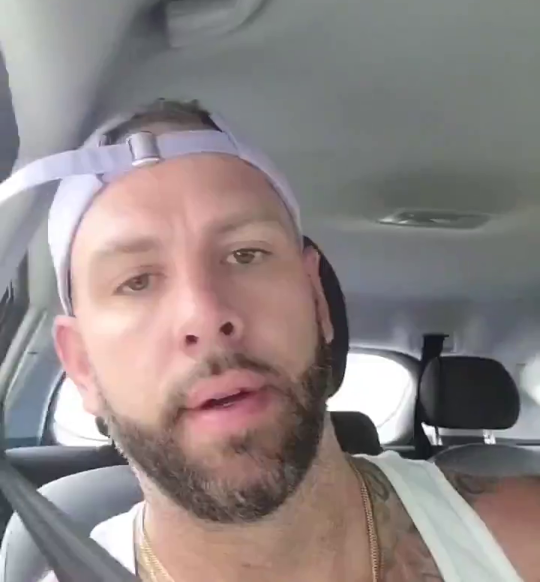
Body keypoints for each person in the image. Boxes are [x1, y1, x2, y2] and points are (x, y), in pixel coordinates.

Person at [31, 99, 538, 581]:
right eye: (137, 281)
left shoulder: (522, 541)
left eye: (246, 254)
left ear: (318, 300)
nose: (205, 315)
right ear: (82, 366)